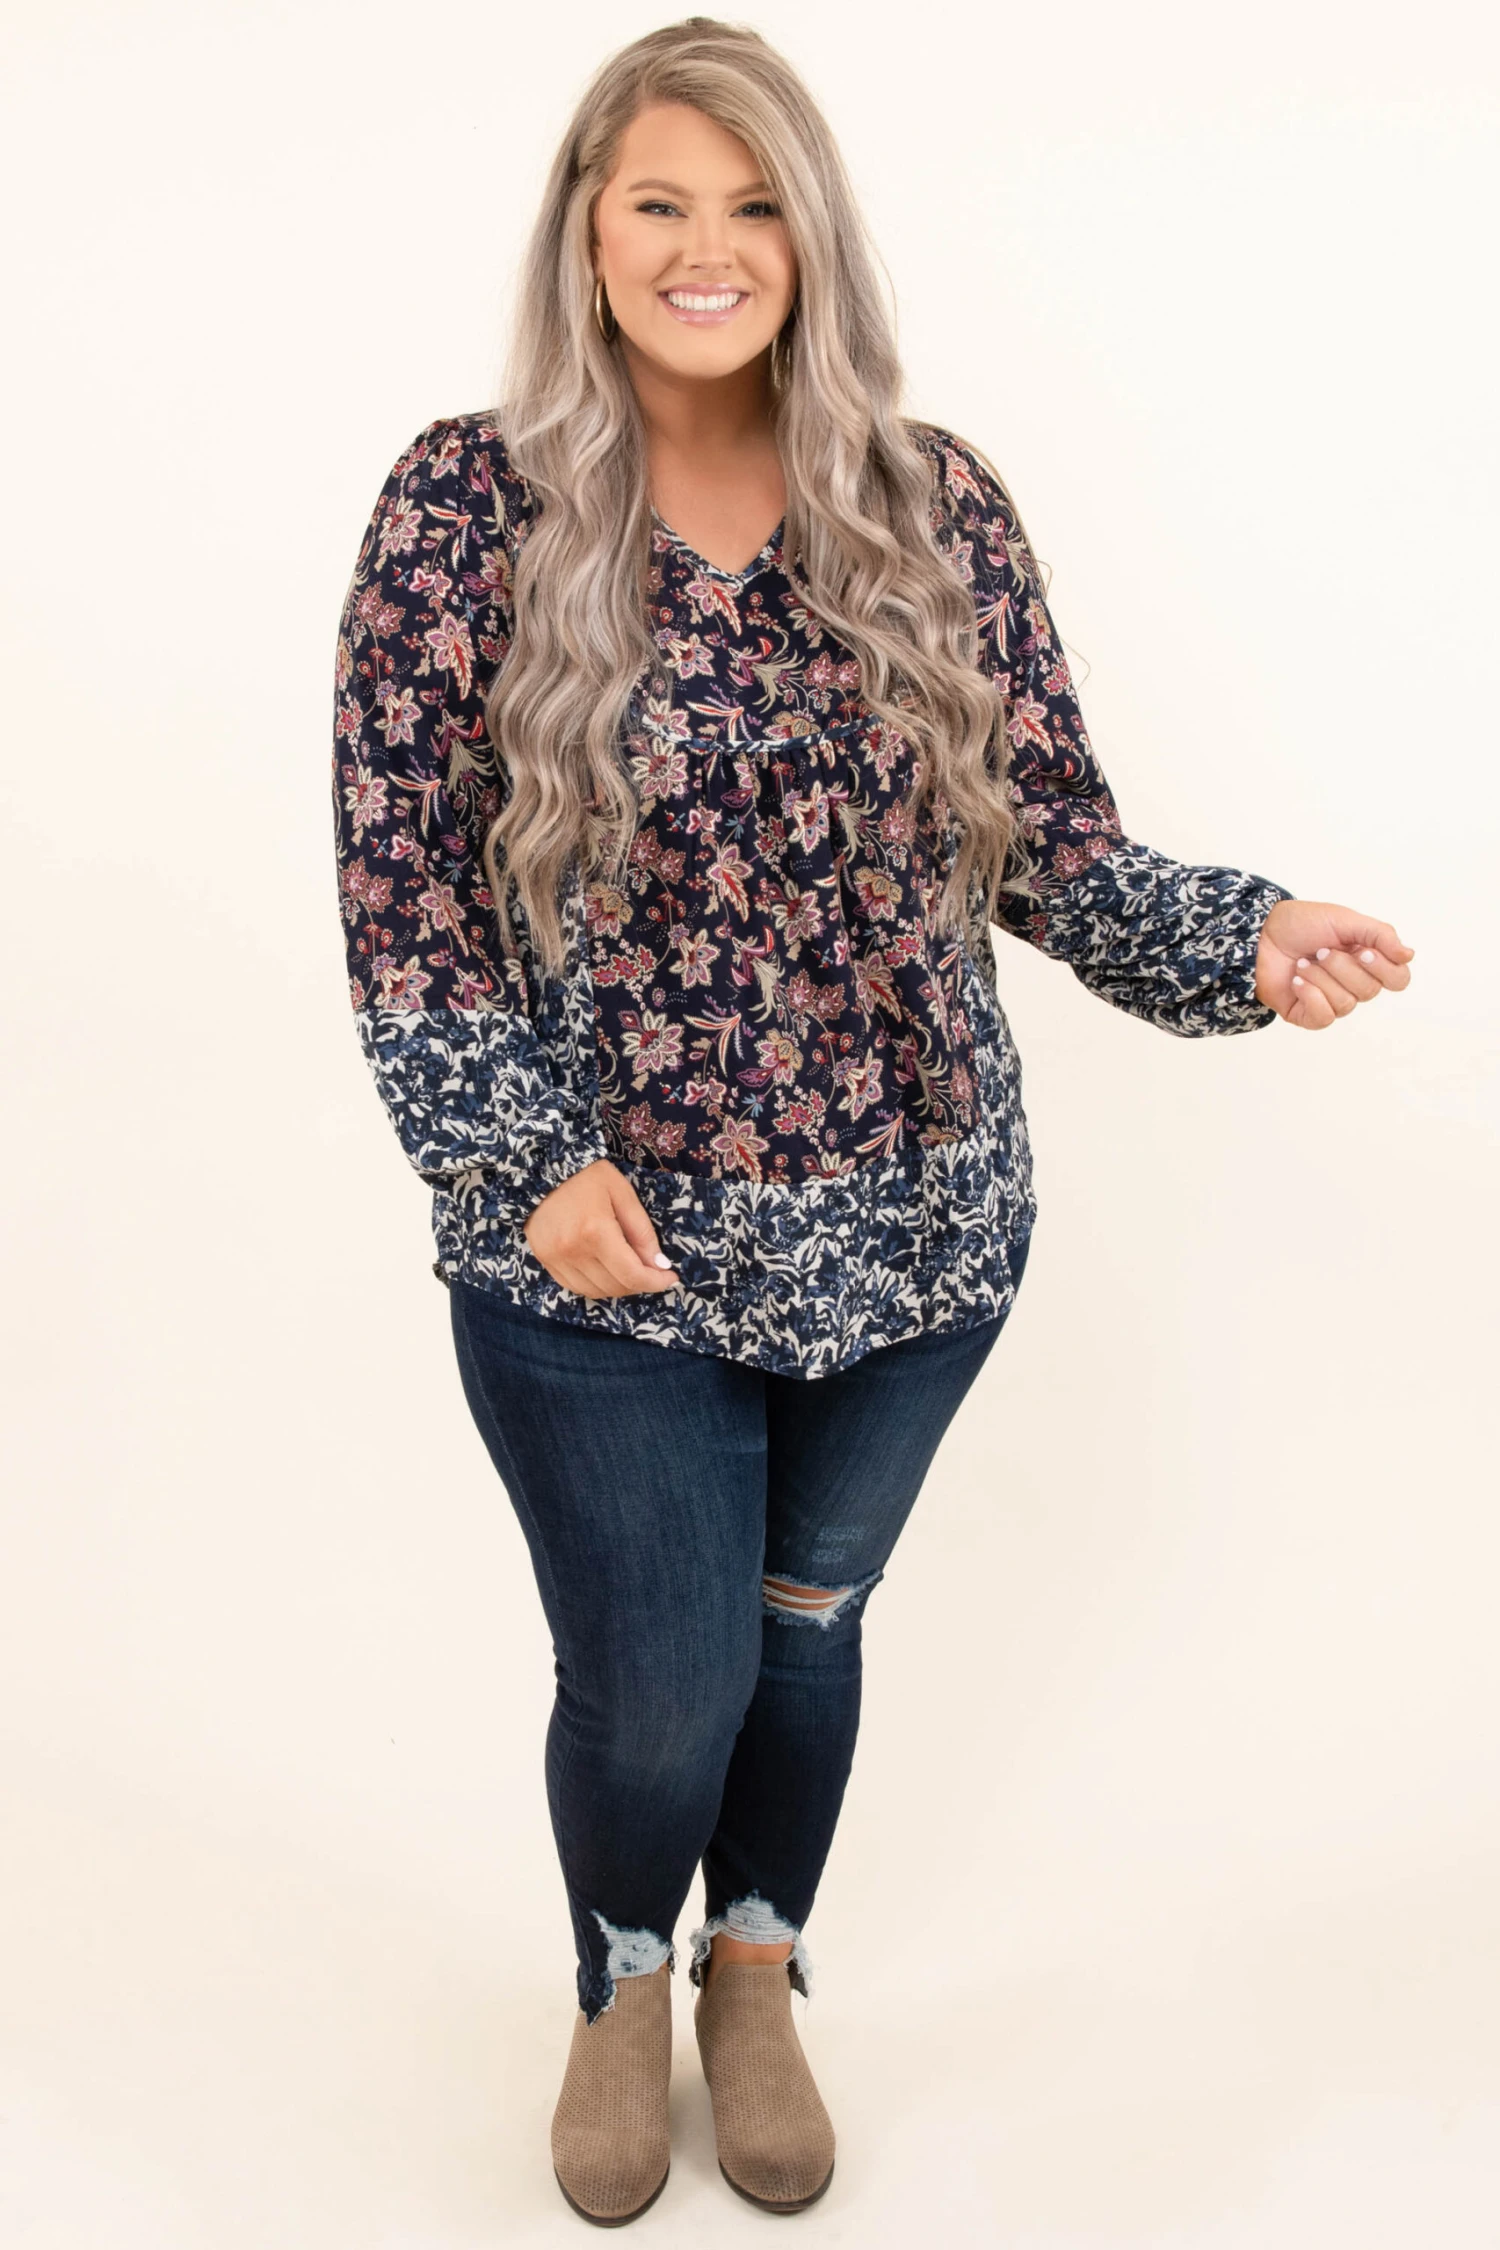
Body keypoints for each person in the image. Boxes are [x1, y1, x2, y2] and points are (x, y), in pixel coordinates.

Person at [330, 18, 1414, 2226]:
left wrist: (1246, 935)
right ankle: (620, 1974)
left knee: (805, 1629)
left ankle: (756, 1970)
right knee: (664, 1683)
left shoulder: (932, 504)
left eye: (755, 207)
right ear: (587, 232)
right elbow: (403, 889)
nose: (707, 248)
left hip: (919, 1235)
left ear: (812, 240)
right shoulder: (464, 505)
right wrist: (519, 1166)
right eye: (661, 202)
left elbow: (1055, 849)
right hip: (604, 1244)